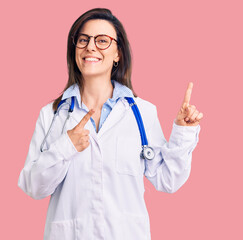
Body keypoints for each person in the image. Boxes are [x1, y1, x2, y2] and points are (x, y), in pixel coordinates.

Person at [18, 8, 203, 240]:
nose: (91, 47)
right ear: (74, 49)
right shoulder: (53, 114)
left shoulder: (142, 113)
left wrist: (183, 133)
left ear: (118, 53)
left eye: (102, 40)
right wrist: (66, 147)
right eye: (83, 40)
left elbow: (168, 179)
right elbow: (33, 186)